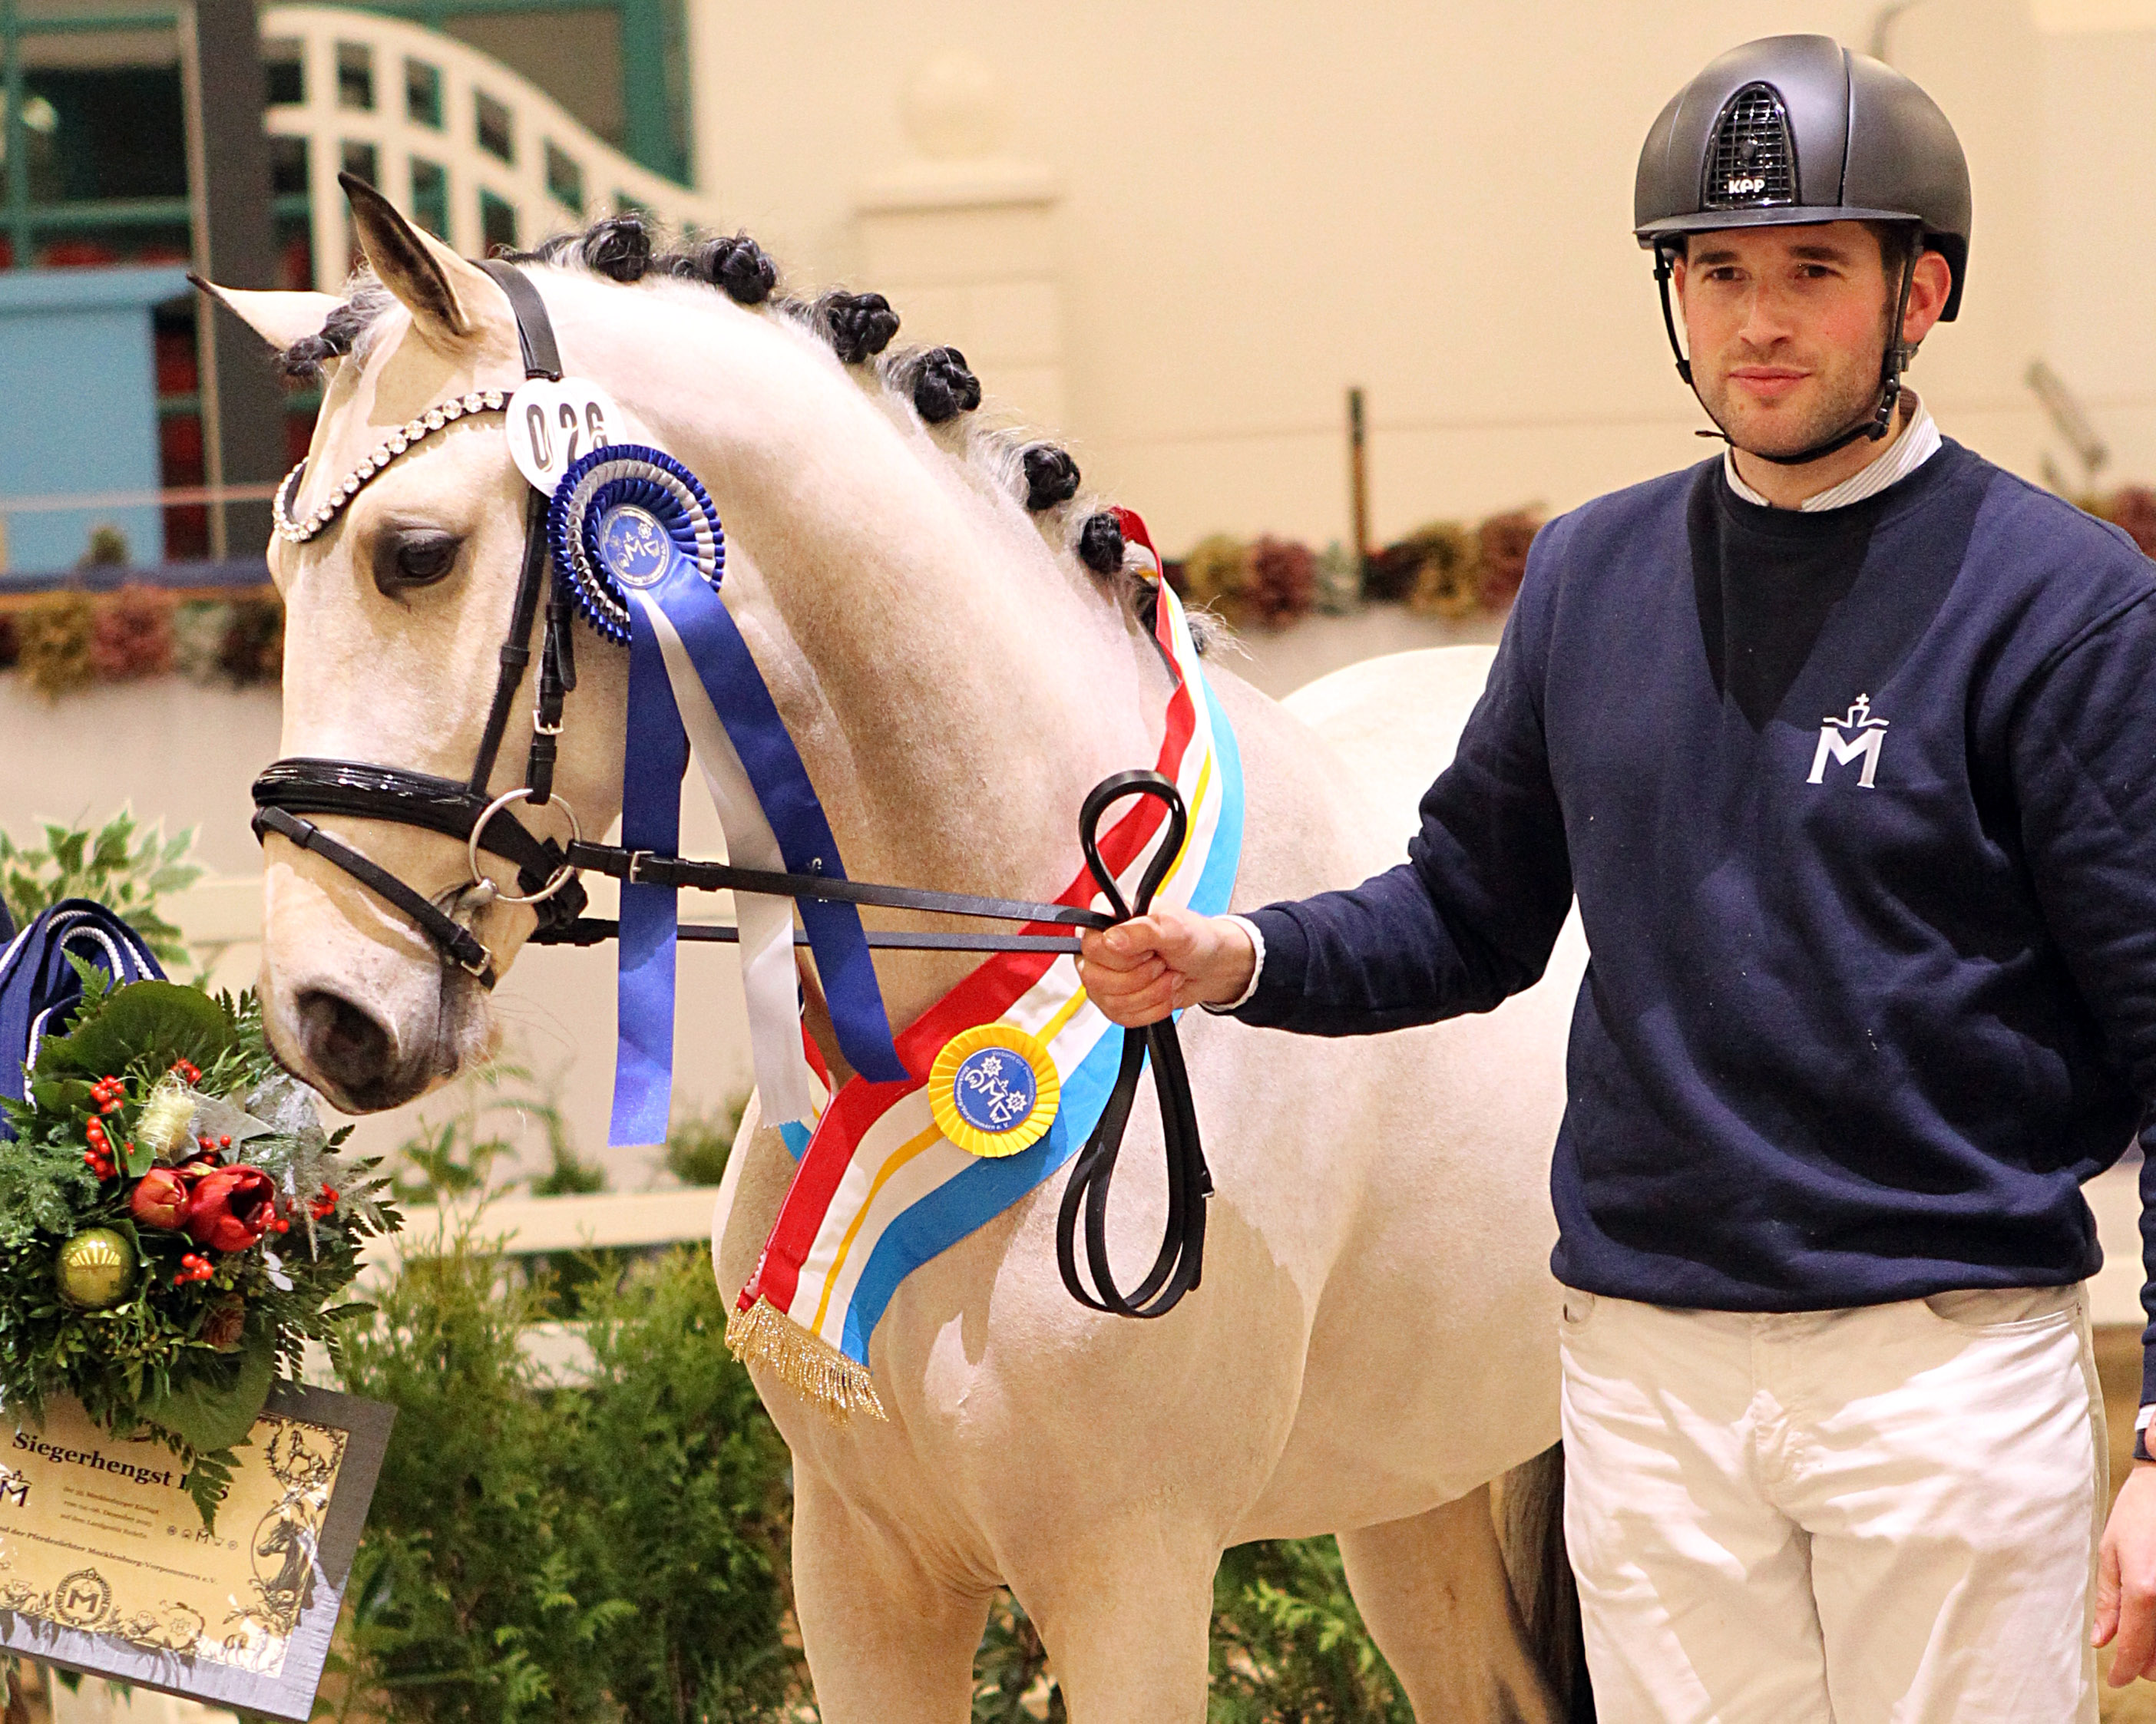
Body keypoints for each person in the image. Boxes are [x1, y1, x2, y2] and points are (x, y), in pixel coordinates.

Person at [1080, 33, 2156, 1722]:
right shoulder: (1589, 576)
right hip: (1646, 1384)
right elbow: (1466, 914)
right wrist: (1236, 956)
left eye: (1813, 268)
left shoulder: (2065, 604)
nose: (1759, 320)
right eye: (1717, 272)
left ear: (1921, 290)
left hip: (1942, 1375)